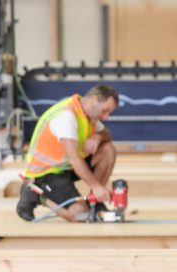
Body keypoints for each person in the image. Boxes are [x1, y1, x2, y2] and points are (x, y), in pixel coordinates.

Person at [17, 84, 119, 222]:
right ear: (93, 100)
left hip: (66, 167)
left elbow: (107, 135)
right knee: (80, 216)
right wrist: (97, 186)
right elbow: (74, 159)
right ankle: (35, 195)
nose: (106, 117)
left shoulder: (89, 114)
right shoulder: (66, 116)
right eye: (105, 110)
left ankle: (94, 202)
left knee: (108, 150)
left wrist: (98, 137)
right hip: (47, 172)